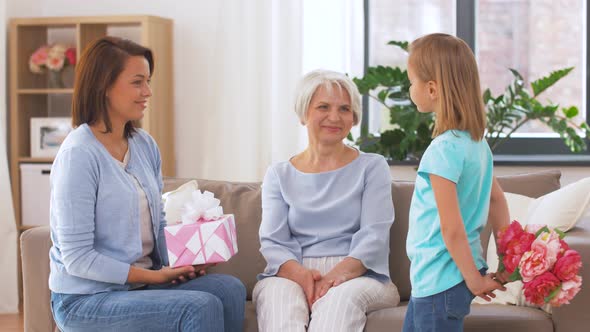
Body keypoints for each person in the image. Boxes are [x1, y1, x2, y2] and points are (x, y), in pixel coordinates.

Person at [48, 36, 245, 332]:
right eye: (137, 82)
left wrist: (185, 264)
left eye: (148, 81)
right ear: (104, 85)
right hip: (86, 299)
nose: (148, 92)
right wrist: (154, 277)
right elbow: (77, 259)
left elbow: (158, 224)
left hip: (139, 286)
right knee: (199, 307)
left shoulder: (144, 145)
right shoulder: (78, 155)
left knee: (229, 288)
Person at [253, 69, 400, 331]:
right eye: (323, 107)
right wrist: (304, 278)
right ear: (303, 113)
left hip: (360, 274)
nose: (334, 117)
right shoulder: (279, 174)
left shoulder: (372, 167)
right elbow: (273, 242)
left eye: (344, 109)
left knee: (338, 302)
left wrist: (331, 279)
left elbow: (374, 237)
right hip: (293, 273)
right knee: (278, 299)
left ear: (354, 118)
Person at [403, 33, 511, 332]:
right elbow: (497, 200)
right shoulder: (477, 145)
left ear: (432, 88)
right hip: (442, 280)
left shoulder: (443, 149)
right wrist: (505, 259)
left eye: (412, 82)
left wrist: (475, 280)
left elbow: (451, 229)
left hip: (439, 278)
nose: (411, 89)